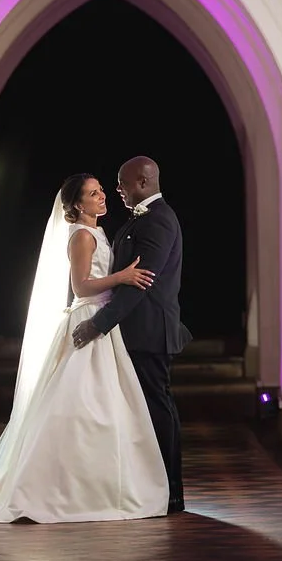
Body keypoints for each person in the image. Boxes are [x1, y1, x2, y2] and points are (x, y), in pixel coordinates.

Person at [0, 173, 168, 523]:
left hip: (102, 320)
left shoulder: (96, 231)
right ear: (77, 205)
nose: (102, 197)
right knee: (81, 402)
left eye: (101, 191)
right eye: (93, 193)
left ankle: (96, 482)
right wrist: (122, 278)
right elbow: (82, 286)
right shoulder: (82, 236)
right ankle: (61, 487)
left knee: (105, 404)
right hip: (89, 316)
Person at [71, 156, 192, 514]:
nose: (117, 190)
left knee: (157, 409)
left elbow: (140, 283)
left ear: (141, 181)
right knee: (141, 411)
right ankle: (146, 485)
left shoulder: (158, 220)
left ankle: (170, 491)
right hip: (134, 331)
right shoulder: (141, 219)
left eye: (121, 183)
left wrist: (98, 323)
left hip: (149, 331)